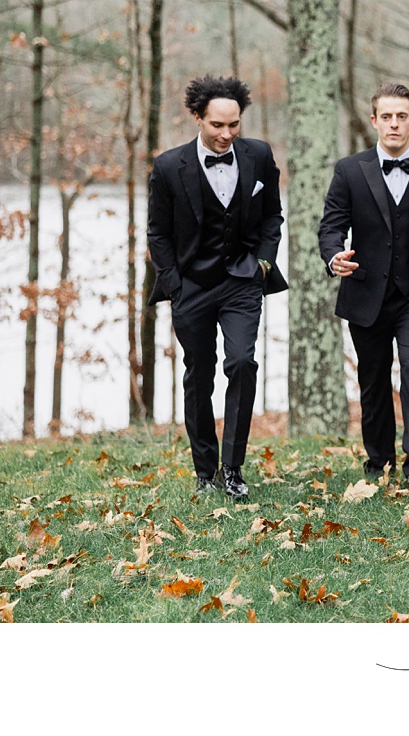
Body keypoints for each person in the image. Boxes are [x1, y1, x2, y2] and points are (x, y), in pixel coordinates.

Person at [317, 82, 409, 492]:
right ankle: (379, 459)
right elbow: (332, 225)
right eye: (386, 116)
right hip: (366, 293)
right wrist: (334, 256)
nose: (394, 124)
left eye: (402, 116)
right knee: (373, 378)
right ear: (374, 121)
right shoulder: (349, 170)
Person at [146, 75, 287, 500]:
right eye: (217, 126)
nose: (226, 135)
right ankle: (205, 469)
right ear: (197, 118)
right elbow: (158, 234)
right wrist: (174, 284)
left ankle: (233, 468)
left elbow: (272, 218)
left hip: (243, 280)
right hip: (192, 285)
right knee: (198, 375)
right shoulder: (170, 167)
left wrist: (263, 263)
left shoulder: (259, 156)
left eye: (234, 125)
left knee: (243, 363)